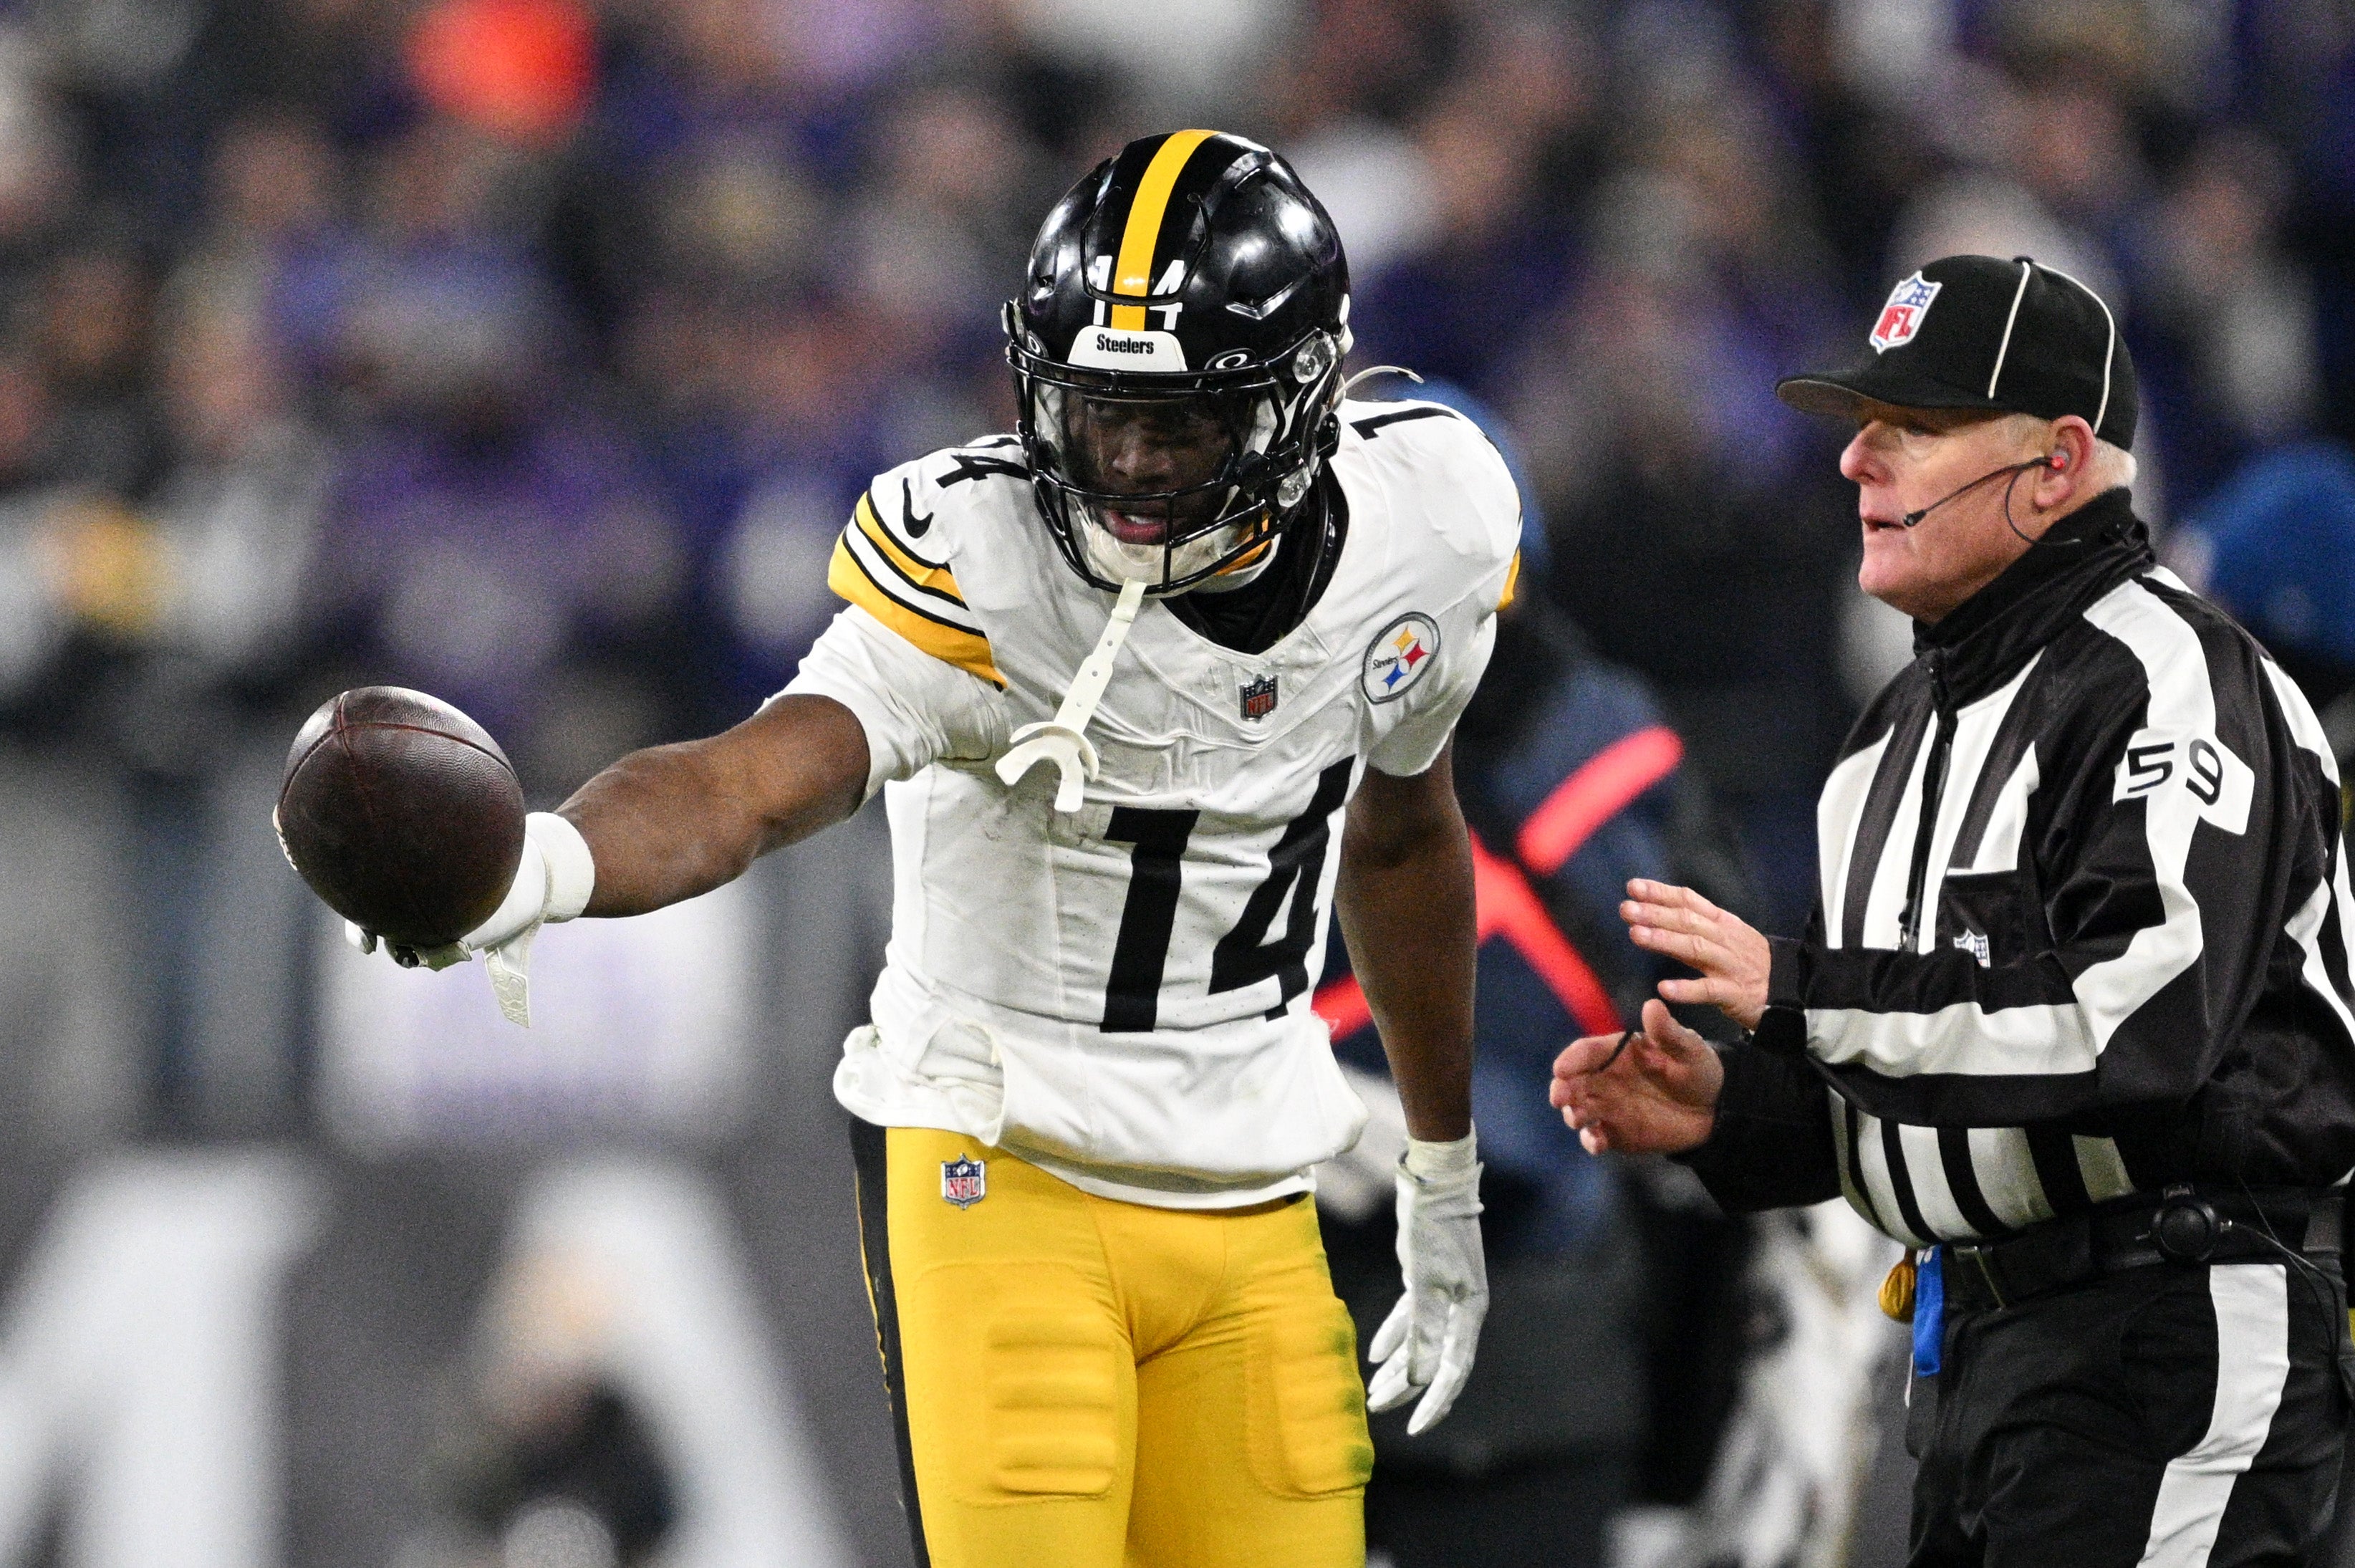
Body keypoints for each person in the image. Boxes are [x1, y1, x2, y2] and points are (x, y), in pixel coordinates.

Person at [340, 130, 1513, 1568]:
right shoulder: (982, 554)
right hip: (1003, 1165)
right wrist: (538, 869)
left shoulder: (1425, 528)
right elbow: (749, 783)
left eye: (1180, 424)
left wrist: (1443, 1167)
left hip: (1253, 1186)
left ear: (1300, 397)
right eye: (1097, 413)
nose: (1129, 467)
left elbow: (1402, 837)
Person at [1551, 254, 2355, 1565]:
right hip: (1976, 1354)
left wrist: (1800, 991)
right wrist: (1738, 1112)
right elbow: (1941, 1071)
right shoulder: (1888, 737)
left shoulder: (2171, 680)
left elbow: (2132, 1024)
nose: (1857, 460)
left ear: (2056, 461)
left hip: (2167, 1331)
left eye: (1914, 427)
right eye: (1861, 424)